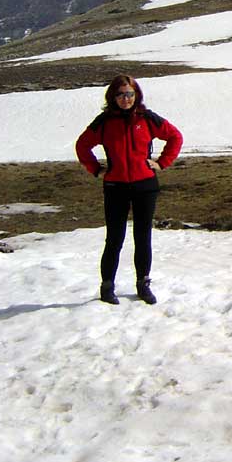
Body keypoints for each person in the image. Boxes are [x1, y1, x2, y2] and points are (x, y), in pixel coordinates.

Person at [75, 75, 183, 305]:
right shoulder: (104, 122)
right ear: (113, 97)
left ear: (137, 95)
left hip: (145, 185)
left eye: (130, 94)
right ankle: (107, 287)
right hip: (115, 187)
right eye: (121, 94)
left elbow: (175, 136)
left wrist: (162, 162)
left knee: (143, 237)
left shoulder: (147, 119)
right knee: (114, 238)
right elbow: (82, 145)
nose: (126, 99)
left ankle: (143, 284)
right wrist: (95, 169)